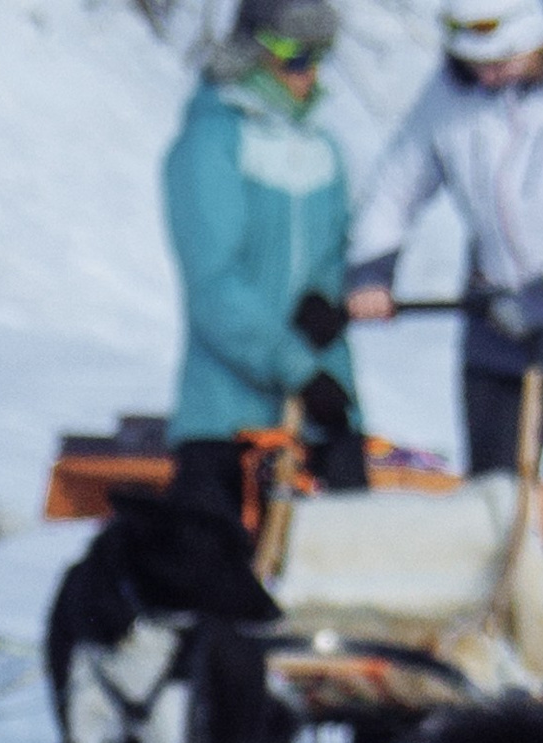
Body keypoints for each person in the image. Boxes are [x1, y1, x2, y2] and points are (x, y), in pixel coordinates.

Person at [345, 0, 543, 732]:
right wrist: (373, 265)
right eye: (474, 62)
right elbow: (398, 183)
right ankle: (488, 680)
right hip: (495, 339)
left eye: (499, 58)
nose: (486, 75)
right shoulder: (453, 97)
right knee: (492, 516)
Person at [162, 0, 368, 515]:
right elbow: (214, 287)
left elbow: (335, 260)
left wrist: (329, 301)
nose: (309, 75)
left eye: (320, 57)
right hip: (226, 419)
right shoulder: (210, 142)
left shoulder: (325, 149)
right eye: (296, 58)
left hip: (320, 418)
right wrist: (296, 368)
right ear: (254, 54)